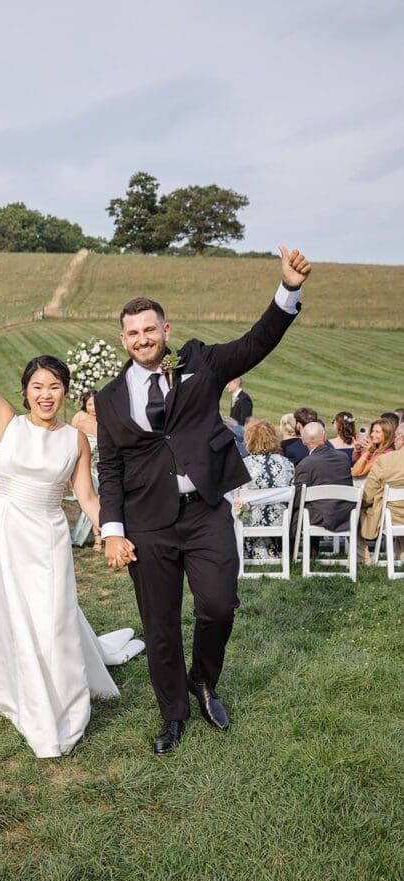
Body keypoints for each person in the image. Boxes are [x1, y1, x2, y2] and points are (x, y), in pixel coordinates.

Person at [95, 245, 311, 754]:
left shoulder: (200, 362)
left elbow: (256, 342)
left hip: (206, 511)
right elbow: (110, 468)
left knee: (218, 605)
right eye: (133, 332)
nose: (143, 338)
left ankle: (204, 679)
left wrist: (288, 289)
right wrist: (112, 530)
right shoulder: (109, 398)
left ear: (165, 330)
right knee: (160, 627)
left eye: (150, 329)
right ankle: (173, 714)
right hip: (148, 523)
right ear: (123, 339)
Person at [0, 290, 140, 759]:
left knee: (52, 619)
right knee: (14, 616)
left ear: (65, 391)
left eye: (54, 386)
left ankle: (64, 699)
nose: (46, 395)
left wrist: (113, 532)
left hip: (48, 537)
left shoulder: (76, 440)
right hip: (5, 534)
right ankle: (24, 695)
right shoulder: (6, 422)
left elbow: (87, 498)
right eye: (37, 386)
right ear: (25, 391)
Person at [239, 420, 294, 560]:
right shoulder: (286, 464)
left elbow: (235, 495)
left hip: (249, 520)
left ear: (249, 440)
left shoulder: (243, 465)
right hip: (279, 520)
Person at [289, 422, 354, 541]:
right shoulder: (343, 457)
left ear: (303, 441)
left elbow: (298, 497)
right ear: (324, 437)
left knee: (295, 511)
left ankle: (291, 550)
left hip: (320, 517)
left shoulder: (305, 464)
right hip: (345, 515)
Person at [358, 423, 404, 564]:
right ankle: (400, 554)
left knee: (354, 511)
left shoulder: (385, 460)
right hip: (396, 514)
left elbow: (368, 494)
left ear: (402, 439)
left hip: (392, 516)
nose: (394, 440)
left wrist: (360, 504)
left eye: (396, 437)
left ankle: (363, 559)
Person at [70, 390, 102, 551]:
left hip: (103, 466)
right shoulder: (79, 421)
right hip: (86, 468)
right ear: (85, 405)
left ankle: (99, 534)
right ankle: (98, 538)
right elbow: (72, 444)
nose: (93, 408)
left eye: (96, 404)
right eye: (90, 404)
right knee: (92, 499)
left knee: (102, 501)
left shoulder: (105, 420)